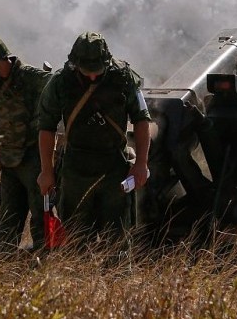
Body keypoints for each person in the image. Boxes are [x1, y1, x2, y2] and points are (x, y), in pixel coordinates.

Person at [36, 31, 151, 244]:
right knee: (76, 241)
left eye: (97, 71)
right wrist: (46, 171)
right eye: (86, 71)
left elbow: (142, 120)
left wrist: (141, 163)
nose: (92, 77)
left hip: (114, 168)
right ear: (74, 63)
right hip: (75, 170)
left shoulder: (124, 78)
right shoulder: (60, 83)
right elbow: (46, 127)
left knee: (117, 242)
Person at [0, 36, 51, 252]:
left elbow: (56, 98)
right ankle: (5, 264)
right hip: (9, 161)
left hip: (33, 158)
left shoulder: (32, 78)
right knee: (8, 217)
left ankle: (46, 263)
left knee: (40, 216)